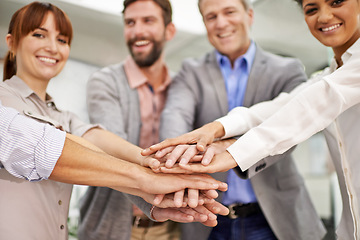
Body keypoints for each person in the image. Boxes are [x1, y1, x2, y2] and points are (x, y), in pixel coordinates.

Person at [0, 2, 229, 239]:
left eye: (62, 40)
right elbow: (55, 150)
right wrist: (147, 180)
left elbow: (95, 140)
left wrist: (151, 165)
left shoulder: (62, 116)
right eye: (39, 35)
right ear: (11, 43)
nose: (52, 47)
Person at [143, 0, 360, 239]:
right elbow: (280, 107)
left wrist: (233, 153)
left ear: (250, 15)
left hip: (274, 215)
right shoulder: (191, 71)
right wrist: (215, 130)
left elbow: (305, 111)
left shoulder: (290, 69)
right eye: (311, 9)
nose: (324, 16)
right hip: (215, 218)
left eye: (336, 1)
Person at [78, 0, 182, 239]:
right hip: (114, 227)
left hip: (170, 230)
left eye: (148, 21)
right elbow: (113, 150)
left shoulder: (183, 86)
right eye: (130, 23)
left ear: (170, 30)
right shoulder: (105, 82)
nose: (137, 32)